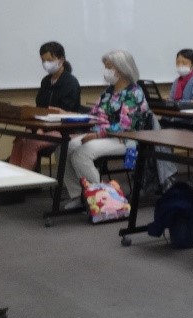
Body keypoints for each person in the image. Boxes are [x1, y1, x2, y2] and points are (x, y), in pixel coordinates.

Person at [61, 49, 150, 207]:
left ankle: (103, 199)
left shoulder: (134, 93)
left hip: (125, 139)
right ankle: (79, 196)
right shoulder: (108, 91)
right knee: (65, 147)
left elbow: (125, 125)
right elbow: (94, 114)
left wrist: (97, 135)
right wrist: (71, 116)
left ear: (122, 69)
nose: (106, 71)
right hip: (103, 136)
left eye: (109, 67)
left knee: (82, 154)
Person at [8, 40, 82, 169]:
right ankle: (12, 177)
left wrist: (42, 129)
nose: (46, 64)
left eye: (49, 60)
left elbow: (63, 113)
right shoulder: (46, 81)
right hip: (43, 127)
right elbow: (40, 107)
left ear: (61, 59)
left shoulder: (71, 83)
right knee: (20, 140)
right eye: (43, 60)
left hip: (63, 130)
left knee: (31, 143)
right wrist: (33, 126)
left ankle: (25, 178)